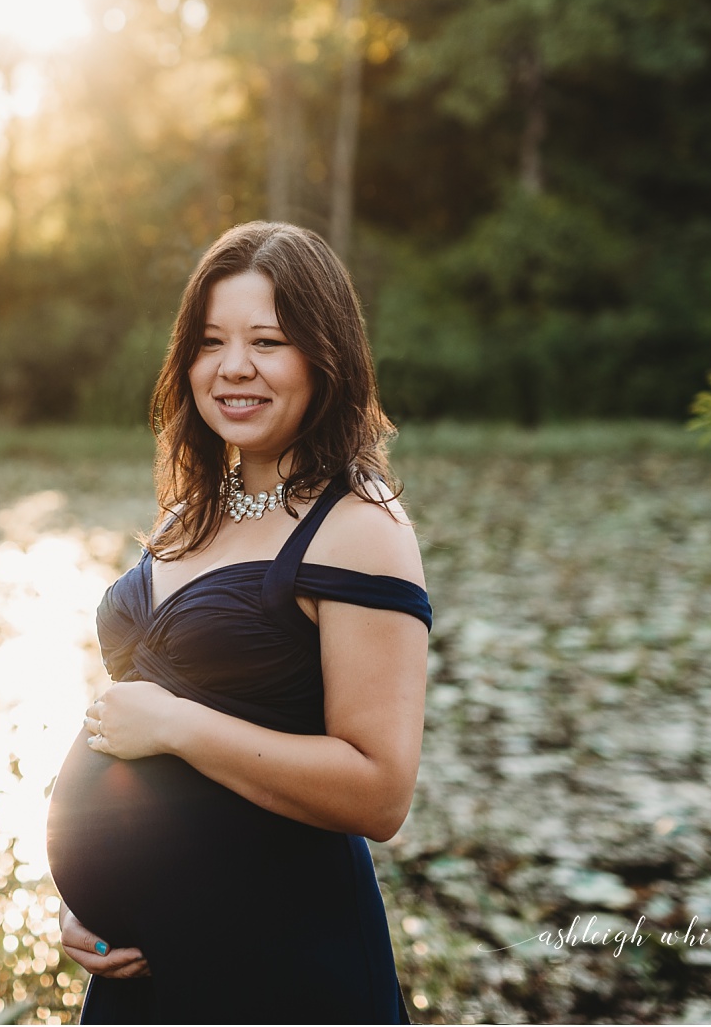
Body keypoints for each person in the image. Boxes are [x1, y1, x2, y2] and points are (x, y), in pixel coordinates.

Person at [45, 221, 432, 1023]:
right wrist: (88, 902)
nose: (234, 368)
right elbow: (130, 728)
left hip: (277, 964)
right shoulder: (195, 509)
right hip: (146, 972)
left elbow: (380, 792)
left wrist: (181, 727)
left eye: (268, 341)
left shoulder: (360, 526)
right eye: (212, 341)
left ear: (324, 356)